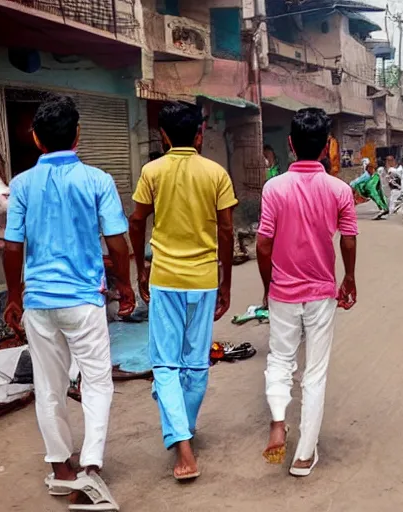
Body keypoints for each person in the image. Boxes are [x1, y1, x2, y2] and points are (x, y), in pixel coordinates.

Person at [3, 95, 134, 510]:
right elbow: (117, 240)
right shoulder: (98, 181)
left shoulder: (21, 184)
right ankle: (91, 468)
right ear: (78, 135)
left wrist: (15, 295)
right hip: (83, 302)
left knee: (49, 386)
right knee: (97, 382)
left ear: (38, 140)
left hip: (39, 302)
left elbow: (12, 245)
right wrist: (126, 285)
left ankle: (61, 468)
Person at [129, 101, 237, 481]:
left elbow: (138, 218)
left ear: (162, 135)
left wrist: (142, 266)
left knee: (165, 363)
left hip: (166, 276)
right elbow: (226, 230)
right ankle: (183, 432)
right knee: (194, 363)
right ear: (199, 134)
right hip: (204, 278)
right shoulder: (216, 173)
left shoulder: (152, 170)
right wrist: (225, 280)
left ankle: (182, 441)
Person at [257, 108, 358, 477]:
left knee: (280, 360)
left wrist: (268, 287)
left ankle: (279, 419)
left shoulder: (274, 187)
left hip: (283, 290)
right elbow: (348, 239)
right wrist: (349, 278)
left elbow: (263, 245)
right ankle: (303, 455)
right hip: (320, 291)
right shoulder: (339, 189)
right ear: (327, 146)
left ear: (290, 144)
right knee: (315, 372)